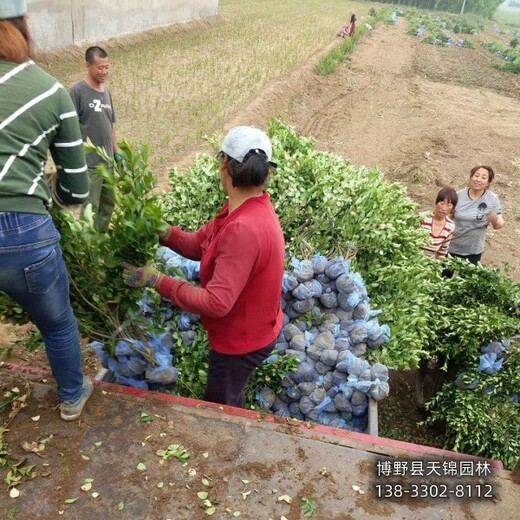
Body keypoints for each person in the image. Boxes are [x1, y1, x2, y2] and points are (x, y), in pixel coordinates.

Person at [122, 127, 285, 408]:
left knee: (219, 409)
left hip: (242, 342)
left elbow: (217, 302)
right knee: (231, 392)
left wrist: (157, 281)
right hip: (253, 327)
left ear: (224, 164)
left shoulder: (243, 228)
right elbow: (199, 245)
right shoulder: (245, 209)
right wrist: (164, 231)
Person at [0, 0, 92, 420]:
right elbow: (76, 188)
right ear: (23, 25)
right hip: (25, 235)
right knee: (56, 323)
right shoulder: (51, 91)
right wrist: (44, 186)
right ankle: (72, 397)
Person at [69, 46, 119, 232]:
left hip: (107, 162)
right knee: (90, 208)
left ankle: (99, 241)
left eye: (107, 67)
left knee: (108, 205)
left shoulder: (106, 92)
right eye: (100, 67)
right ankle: (87, 249)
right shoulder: (78, 91)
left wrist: (116, 153)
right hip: (90, 164)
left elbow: (110, 125)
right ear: (88, 65)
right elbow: (69, 128)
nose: (105, 72)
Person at [448, 165, 504, 265]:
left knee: (468, 280)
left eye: (483, 177)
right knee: (444, 278)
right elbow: (446, 217)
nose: (478, 179)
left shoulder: (492, 199)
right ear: (471, 177)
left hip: (473, 250)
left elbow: (498, 225)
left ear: (488, 183)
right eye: (476, 175)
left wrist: (494, 219)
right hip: (451, 246)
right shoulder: (458, 195)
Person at [420, 187, 457, 260]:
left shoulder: (450, 226)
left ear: (452, 208)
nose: (443, 208)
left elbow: (442, 252)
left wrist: (436, 267)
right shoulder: (423, 218)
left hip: (429, 265)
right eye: (442, 203)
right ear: (436, 203)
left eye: (448, 205)